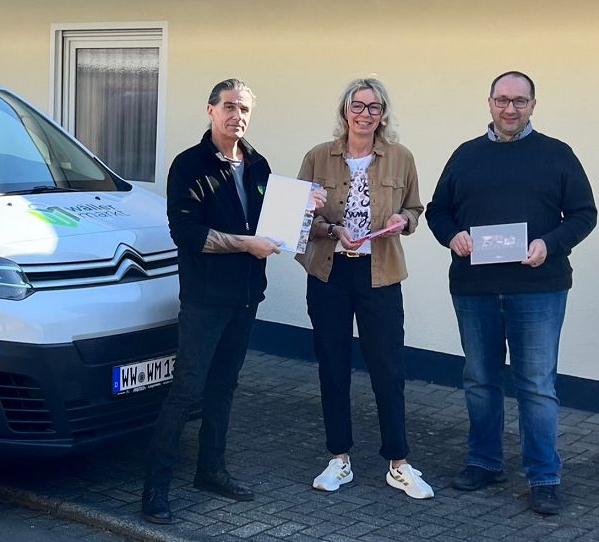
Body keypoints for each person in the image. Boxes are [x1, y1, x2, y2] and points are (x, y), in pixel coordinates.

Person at [142, 79, 321, 524]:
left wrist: (305, 209)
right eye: (228, 107)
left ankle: (211, 470)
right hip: (205, 299)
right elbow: (187, 235)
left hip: (246, 297)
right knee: (186, 391)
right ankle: (155, 490)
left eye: (243, 109)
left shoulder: (258, 164)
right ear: (210, 110)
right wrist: (246, 244)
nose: (236, 116)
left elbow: (272, 224)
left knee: (224, 388)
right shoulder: (189, 166)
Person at [426, 71, 596, 516]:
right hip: (475, 288)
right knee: (480, 380)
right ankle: (484, 462)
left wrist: (550, 243)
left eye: (520, 101)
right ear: (489, 103)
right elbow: (437, 210)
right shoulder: (466, 155)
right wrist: (453, 236)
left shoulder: (557, 155)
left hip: (538, 289)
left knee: (536, 385)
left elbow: (583, 213)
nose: (510, 109)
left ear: (533, 105)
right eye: (502, 100)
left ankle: (543, 476)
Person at [295, 79, 432, 500]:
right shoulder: (318, 157)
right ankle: (339, 458)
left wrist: (402, 223)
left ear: (383, 115)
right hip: (330, 273)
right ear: (344, 111)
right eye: (358, 105)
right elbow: (296, 217)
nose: (365, 113)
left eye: (374, 107)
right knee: (332, 366)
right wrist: (333, 229)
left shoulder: (400, 157)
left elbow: (414, 208)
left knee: (388, 369)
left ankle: (399, 462)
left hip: (381, 273)